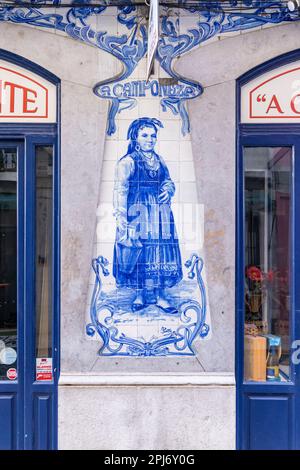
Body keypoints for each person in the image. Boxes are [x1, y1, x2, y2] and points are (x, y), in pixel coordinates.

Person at [113, 117, 182, 313]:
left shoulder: (159, 160)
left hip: (160, 214)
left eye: (153, 136)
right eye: (145, 135)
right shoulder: (127, 162)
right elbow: (120, 190)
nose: (150, 139)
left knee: (160, 252)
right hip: (138, 212)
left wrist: (168, 190)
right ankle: (139, 294)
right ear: (135, 137)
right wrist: (121, 219)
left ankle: (161, 296)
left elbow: (168, 181)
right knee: (140, 251)